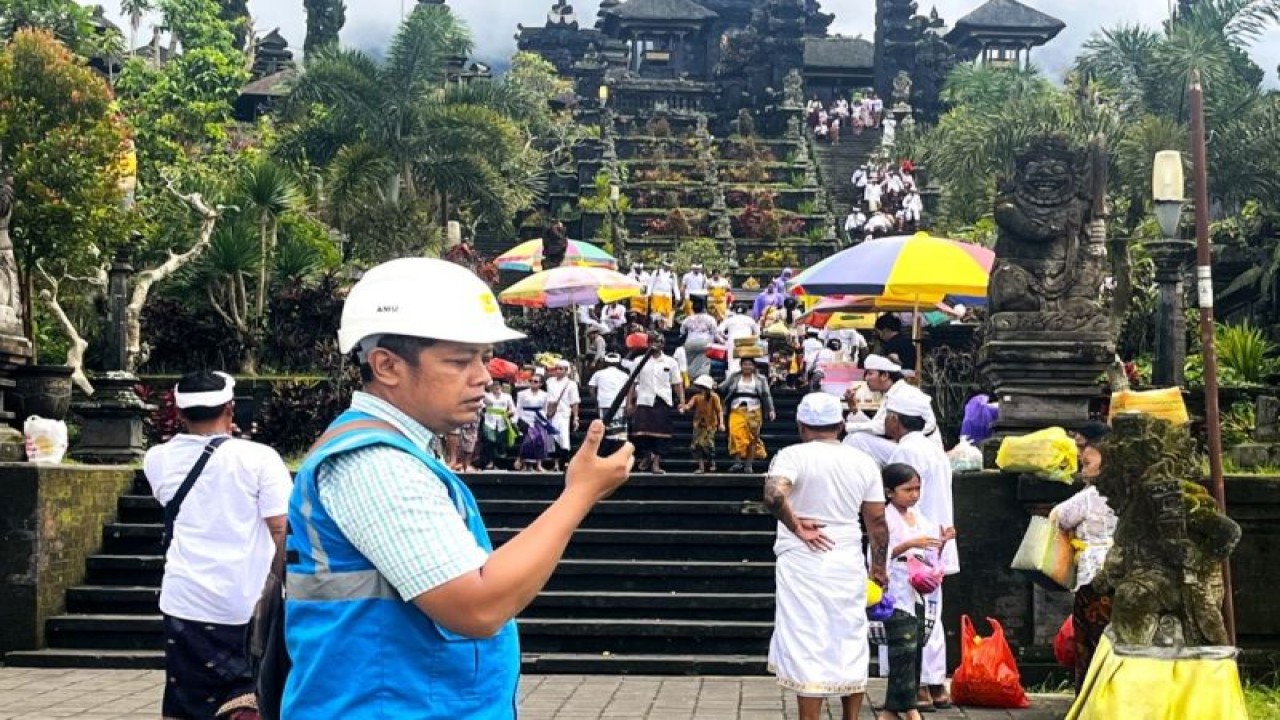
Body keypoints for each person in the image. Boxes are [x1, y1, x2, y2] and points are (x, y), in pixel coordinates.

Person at [283, 257, 632, 719]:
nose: (483, 376)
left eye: (483, 358)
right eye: (460, 361)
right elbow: (478, 607)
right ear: (387, 365)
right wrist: (579, 495)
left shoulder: (397, 450)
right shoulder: (376, 463)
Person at [144, 370, 291, 720]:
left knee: (189, 701)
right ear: (230, 408)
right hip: (248, 601)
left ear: (180, 413)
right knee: (253, 700)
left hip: (185, 601)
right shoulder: (259, 458)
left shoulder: (158, 458)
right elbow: (282, 529)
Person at [764, 392, 889, 720]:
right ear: (841, 424)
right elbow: (877, 522)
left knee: (807, 637)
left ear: (801, 425)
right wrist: (879, 569)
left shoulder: (791, 456)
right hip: (846, 557)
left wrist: (796, 526)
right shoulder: (863, 461)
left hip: (802, 561)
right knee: (850, 635)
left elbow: (774, 496)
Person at [883, 387, 957, 712]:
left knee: (910, 618)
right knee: (931, 616)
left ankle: (920, 687)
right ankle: (936, 685)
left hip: (914, 545)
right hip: (934, 543)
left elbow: (903, 501)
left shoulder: (905, 451)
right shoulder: (934, 450)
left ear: (896, 419)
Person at [878, 463, 955, 720]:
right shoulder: (884, 518)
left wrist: (942, 542)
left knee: (915, 648)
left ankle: (892, 710)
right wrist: (909, 544)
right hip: (895, 588)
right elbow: (878, 554)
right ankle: (909, 708)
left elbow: (930, 553)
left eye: (917, 489)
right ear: (890, 492)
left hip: (917, 588)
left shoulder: (919, 517)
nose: (914, 495)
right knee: (903, 647)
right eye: (908, 489)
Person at [1055, 421, 1116, 693]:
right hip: (1124, 575)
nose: (1081, 460)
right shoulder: (1131, 490)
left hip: (1095, 578)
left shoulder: (1093, 495)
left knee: (1091, 644)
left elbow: (1058, 517)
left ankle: (1090, 696)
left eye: (1086, 457)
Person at [845, 355, 942, 466]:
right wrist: (853, 407)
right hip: (908, 446)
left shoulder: (905, 393)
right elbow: (876, 425)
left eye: (870, 374)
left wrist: (847, 426)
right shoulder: (892, 393)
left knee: (857, 440)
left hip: (920, 451)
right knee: (856, 439)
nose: (866, 378)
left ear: (885, 376)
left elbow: (882, 428)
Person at [627, 331, 685, 474]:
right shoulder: (638, 361)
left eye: (658, 342)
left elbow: (677, 383)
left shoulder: (670, 362)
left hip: (662, 400)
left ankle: (656, 464)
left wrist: (682, 401)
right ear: (647, 344)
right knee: (639, 433)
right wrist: (629, 403)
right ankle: (648, 455)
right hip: (644, 399)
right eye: (652, 341)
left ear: (663, 344)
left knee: (662, 435)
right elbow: (632, 383)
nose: (655, 344)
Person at [719, 357, 775, 473]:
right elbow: (722, 387)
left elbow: (766, 394)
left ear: (754, 366)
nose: (747, 367)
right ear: (741, 365)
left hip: (754, 409)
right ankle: (738, 461)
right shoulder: (735, 376)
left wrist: (771, 409)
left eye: (749, 364)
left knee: (752, 437)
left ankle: (749, 464)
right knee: (734, 433)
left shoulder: (760, 379)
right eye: (744, 364)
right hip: (737, 408)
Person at [681, 374, 724, 474]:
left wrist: (721, 423)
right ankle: (701, 466)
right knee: (697, 446)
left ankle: (711, 462)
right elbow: (689, 405)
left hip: (710, 425)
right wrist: (684, 407)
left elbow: (719, 411)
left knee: (708, 445)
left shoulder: (714, 397)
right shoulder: (697, 397)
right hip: (698, 425)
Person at [544, 359, 581, 472]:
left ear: (566, 370)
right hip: (550, 413)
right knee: (551, 439)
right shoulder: (550, 381)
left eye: (560, 369)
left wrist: (575, 417)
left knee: (563, 438)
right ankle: (555, 464)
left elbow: (574, 402)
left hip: (563, 414)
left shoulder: (571, 384)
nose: (558, 371)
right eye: (557, 368)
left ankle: (566, 462)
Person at [515, 375, 555, 472]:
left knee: (540, 441)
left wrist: (545, 418)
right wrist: (516, 419)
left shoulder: (545, 395)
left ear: (541, 384)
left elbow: (545, 408)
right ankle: (522, 460)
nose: (533, 383)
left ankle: (538, 464)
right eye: (531, 381)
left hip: (539, 418)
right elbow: (518, 407)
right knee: (528, 441)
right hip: (526, 418)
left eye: (536, 381)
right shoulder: (522, 394)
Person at [589, 353, 630, 441]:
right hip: (620, 404)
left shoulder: (598, 374)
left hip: (604, 403)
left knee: (605, 427)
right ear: (618, 363)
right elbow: (629, 390)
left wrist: (596, 402)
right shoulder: (624, 375)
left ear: (606, 362)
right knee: (620, 429)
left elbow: (591, 390)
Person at [479, 380, 518, 469]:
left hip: (502, 420)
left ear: (501, 387)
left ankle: (500, 462)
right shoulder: (486, 396)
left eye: (498, 386)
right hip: (489, 421)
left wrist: (509, 413)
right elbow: (481, 407)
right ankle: (490, 461)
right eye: (494, 386)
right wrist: (484, 412)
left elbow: (512, 408)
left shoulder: (507, 396)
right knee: (490, 441)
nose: (496, 387)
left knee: (500, 442)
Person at [681, 296, 721, 380]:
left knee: (690, 363)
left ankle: (691, 380)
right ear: (704, 308)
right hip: (705, 343)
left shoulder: (687, 319)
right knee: (704, 364)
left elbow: (682, 332)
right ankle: (702, 380)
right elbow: (715, 334)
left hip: (690, 343)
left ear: (693, 309)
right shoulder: (710, 319)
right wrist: (723, 343)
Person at [647, 260, 680, 328]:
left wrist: (678, 297)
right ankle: (659, 328)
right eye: (666, 266)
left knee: (665, 317)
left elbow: (675, 286)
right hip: (657, 296)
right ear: (663, 265)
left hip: (667, 297)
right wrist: (648, 294)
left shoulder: (673, 275)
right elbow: (651, 284)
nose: (668, 268)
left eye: (669, 267)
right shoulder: (656, 272)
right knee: (657, 316)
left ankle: (664, 329)